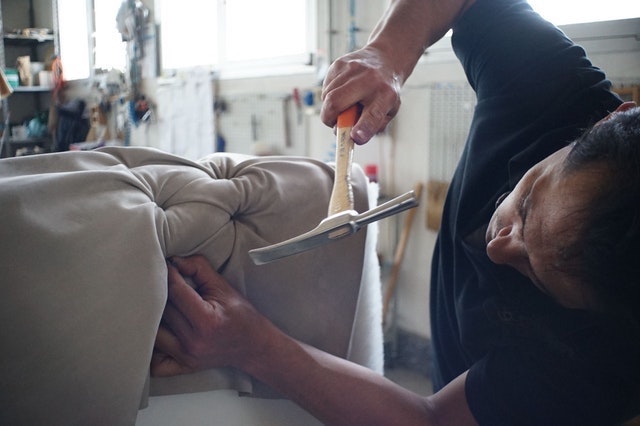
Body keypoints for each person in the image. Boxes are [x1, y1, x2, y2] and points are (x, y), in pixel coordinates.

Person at [152, 0, 640, 424]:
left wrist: (253, 346)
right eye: (529, 203)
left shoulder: (610, 358)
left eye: (535, 274)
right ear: (606, 120)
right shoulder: (555, 92)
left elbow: (431, 420)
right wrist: (387, 54)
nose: (497, 247)